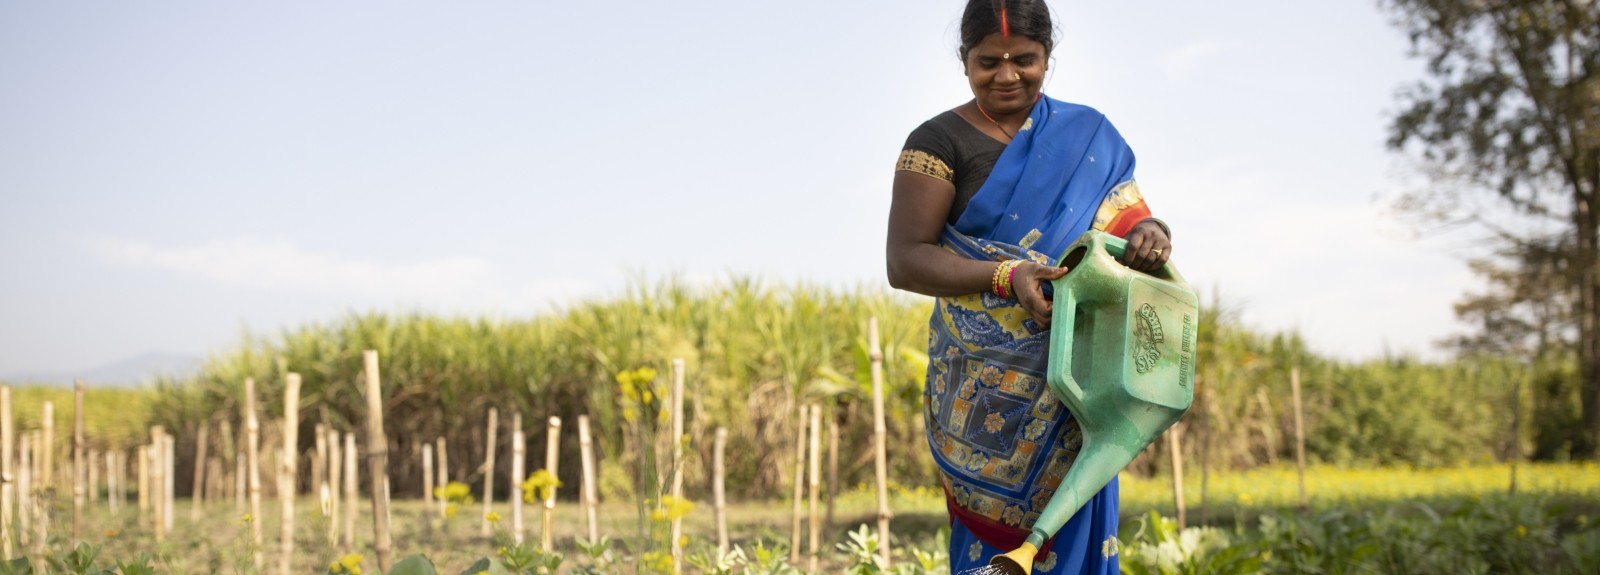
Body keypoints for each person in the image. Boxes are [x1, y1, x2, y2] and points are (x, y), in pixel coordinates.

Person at [885, 1, 1173, 573]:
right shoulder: (937, 142)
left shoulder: (1088, 136)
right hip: (986, 391)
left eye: (1026, 60)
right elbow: (906, 260)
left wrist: (1151, 232)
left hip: (1077, 381)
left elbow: (1124, 224)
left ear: (1048, 57)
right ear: (964, 59)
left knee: (1074, 533)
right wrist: (1006, 275)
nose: (1008, 75)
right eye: (988, 61)